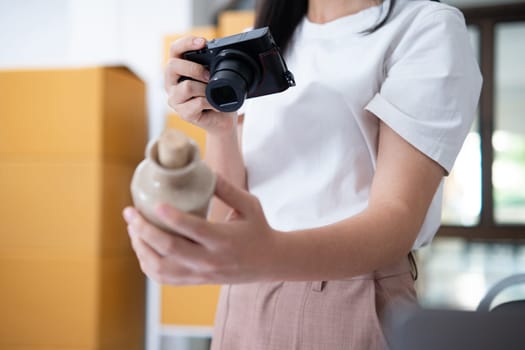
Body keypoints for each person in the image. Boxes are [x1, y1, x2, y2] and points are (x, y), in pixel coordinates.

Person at [123, 0, 482, 348]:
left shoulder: (423, 27)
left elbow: (396, 219)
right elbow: (227, 211)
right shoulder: (261, 39)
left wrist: (262, 256)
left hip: (349, 294)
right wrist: (220, 129)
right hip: (244, 294)